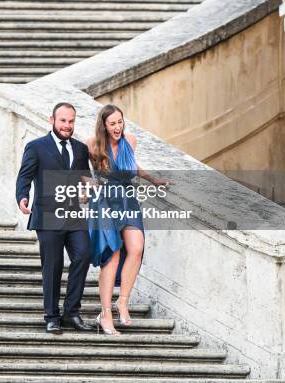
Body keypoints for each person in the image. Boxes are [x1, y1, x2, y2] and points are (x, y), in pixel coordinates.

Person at [86, 104, 171, 336]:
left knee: (136, 247)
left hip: (127, 199)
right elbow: (79, 170)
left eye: (120, 122)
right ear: (104, 125)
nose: (117, 127)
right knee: (112, 254)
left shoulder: (130, 141)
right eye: (112, 123)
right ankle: (105, 314)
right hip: (105, 201)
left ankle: (122, 301)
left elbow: (132, 166)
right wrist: (87, 183)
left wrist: (154, 180)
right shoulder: (92, 144)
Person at [16, 102, 93, 334]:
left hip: (73, 215)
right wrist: (22, 196)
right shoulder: (36, 147)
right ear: (52, 120)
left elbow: (84, 178)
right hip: (47, 214)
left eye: (71, 121)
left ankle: (71, 312)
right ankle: (51, 316)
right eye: (63, 121)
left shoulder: (80, 149)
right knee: (53, 265)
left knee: (84, 255)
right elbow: (25, 176)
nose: (67, 125)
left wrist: (87, 190)